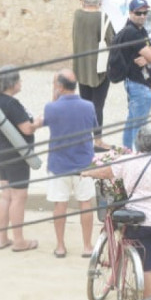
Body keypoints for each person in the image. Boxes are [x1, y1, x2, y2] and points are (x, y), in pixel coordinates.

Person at [83, 125, 151, 300]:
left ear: (138, 143)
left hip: (139, 222)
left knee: (146, 267)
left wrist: (86, 172)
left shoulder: (128, 162)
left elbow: (106, 172)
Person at [42, 70, 97, 258]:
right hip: (83, 163)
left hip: (60, 164)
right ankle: (87, 245)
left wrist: (54, 93)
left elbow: (50, 120)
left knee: (60, 205)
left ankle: (60, 245)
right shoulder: (89, 106)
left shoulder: (51, 108)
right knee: (86, 203)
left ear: (60, 86)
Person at [0, 68, 41, 252]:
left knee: (6, 195)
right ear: (11, 84)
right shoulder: (11, 104)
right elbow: (27, 129)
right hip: (15, 154)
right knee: (19, 196)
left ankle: (2, 238)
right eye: (18, 80)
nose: (21, 83)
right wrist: (38, 123)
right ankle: (19, 241)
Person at [113, 0, 151, 150]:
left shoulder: (141, 30)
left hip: (138, 83)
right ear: (130, 13)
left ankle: (126, 153)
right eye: (138, 13)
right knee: (139, 126)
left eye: (144, 13)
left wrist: (150, 57)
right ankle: (137, 157)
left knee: (132, 121)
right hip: (138, 84)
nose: (142, 16)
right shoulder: (132, 33)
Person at [70, 0, 113, 138]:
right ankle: (98, 139)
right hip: (99, 69)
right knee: (97, 107)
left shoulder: (77, 15)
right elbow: (111, 41)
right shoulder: (102, 17)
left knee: (85, 104)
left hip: (82, 69)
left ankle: (85, 137)